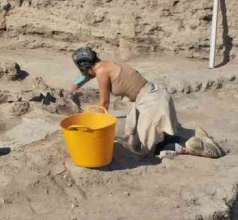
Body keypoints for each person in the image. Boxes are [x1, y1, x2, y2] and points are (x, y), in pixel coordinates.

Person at [71, 47, 225, 159]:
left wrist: (96, 127)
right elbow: (88, 75)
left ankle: (188, 147)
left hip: (151, 103)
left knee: (144, 150)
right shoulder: (106, 65)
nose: (83, 74)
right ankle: (193, 134)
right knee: (136, 137)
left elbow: (103, 104)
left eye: (82, 71)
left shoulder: (101, 72)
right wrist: (75, 86)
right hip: (155, 95)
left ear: (85, 67)